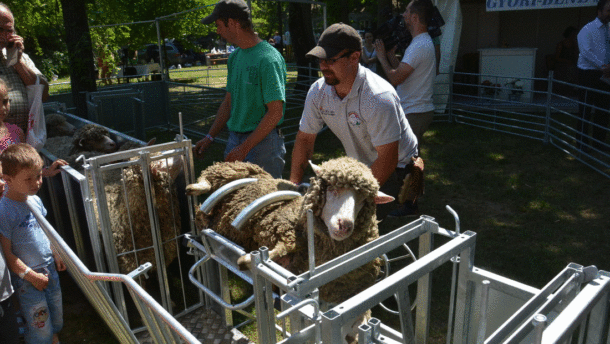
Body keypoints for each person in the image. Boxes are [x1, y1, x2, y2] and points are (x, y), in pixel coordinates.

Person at [289, 23, 420, 218]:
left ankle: (407, 210)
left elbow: (387, 158)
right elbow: (305, 140)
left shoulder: (378, 97)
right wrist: (293, 188)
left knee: (380, 231)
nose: (323, 66)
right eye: (320, 60)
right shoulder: (318, 92)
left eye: (331, 60)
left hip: (397, 168)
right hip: (361, 164)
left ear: (355, 57)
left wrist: (350, 197)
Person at [195, 0, 287, 178]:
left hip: (264, 145)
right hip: (235, 140)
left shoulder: (268, 59)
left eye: (219, 25)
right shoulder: (235, 57)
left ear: (232, 23)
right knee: (234, 200)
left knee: (266, 203)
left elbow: (275, 113)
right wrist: (209, 137)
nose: (217, 30)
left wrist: (244, 148)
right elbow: (228, 103)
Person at [0, 143, 67, 344]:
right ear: (7, 179)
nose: (36, 183)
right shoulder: (4, 211)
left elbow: (45, 230)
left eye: (38, 176)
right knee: (38, 323)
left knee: (55, 314)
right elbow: (8, 254)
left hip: (49, 269)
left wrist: (55, 252)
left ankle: (53, 337)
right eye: (28, 179)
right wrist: (30, 276)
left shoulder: (35, 200)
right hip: (28, 279)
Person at [375, 0, 436, 155]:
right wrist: (390, 55)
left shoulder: (418, 46)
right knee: (411, 159)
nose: (403, 15)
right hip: (417, 111)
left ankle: (412, 179)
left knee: (405, 160)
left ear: (415, 18)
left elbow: (396, 79)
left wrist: (381, 57)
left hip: (414, 112)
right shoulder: (421, 42)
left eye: (407, 12)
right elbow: (405, 72)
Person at [0, 4, 50, 134]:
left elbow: (44, 95)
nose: (4, 35)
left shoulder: (22, 58)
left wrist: (17, 62)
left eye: (9, 30)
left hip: (24, 141)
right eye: (0, 29)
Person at [575, 0, 610, 152]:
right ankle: (582, 145)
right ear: (599, 11)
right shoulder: (587, 29)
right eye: (609, 10)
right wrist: (603, 66)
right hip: (588, 74)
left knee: (603, 110)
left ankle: (598, 143)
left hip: (606, 74)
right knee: (586, 110)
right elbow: (586, 52)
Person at [0, 77, 25, 153]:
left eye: (5, 101)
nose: (2, 108)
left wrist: (50, 165)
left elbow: (27, 163)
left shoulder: (17, 132)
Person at [553, 26, 579, 95]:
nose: (574, 36)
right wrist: (567, 61)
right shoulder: (561, 44)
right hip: (562, 65)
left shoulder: (574, 44)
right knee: (570, 70)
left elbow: (576, 55)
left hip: (573, 64)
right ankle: (565, 90)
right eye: (573, 34)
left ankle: (575, 89)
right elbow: (557, 57)